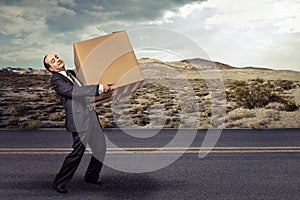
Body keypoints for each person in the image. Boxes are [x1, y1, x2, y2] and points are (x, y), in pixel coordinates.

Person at [43, 54, 112, 193]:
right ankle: (59, 182)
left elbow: (86, 81)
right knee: (77, 153)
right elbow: (73, 91)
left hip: (91, 116)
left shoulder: (72, 74)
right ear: (51, 68)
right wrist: (99, 88)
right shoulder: (56, 80)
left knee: (100, 148)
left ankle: (91, 176)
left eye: (56, 57)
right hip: (79, 120)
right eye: (53, 61)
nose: (57, 60)